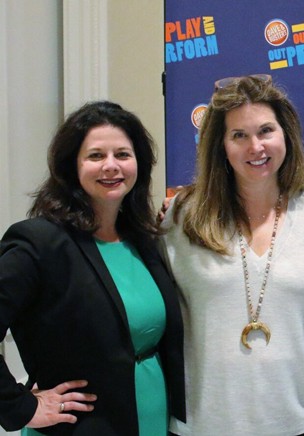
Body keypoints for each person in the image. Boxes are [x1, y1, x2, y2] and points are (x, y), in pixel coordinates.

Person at [160, 74, 304, 436]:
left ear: (286, 135)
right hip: (203, 423)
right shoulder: (180, 216)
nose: (256, 147)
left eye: (266, 131)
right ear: (220, 145)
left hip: (292, 420)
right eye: (239, 135)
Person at [0, 101, 185, 435]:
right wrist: (20, 406)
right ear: (72, 166)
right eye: (96, 156)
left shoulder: (143, 240)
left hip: (152, 415)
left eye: (123, 155)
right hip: (80, 427)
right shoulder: (40, 242)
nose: (111, 166)